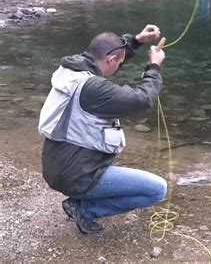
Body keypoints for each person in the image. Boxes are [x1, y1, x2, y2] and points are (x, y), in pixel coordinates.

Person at [38, 24, 167, 234]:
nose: (118, 66)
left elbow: (107, 59)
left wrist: (136, 40)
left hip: (56, 168)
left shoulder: (73, 67)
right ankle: (85, 209)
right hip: (76, 177)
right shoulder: (95, 89)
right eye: (118, 62)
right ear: (111, 60)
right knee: (157, 189)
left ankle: (81, 199)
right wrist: (154, 67)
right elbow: (142, 99)